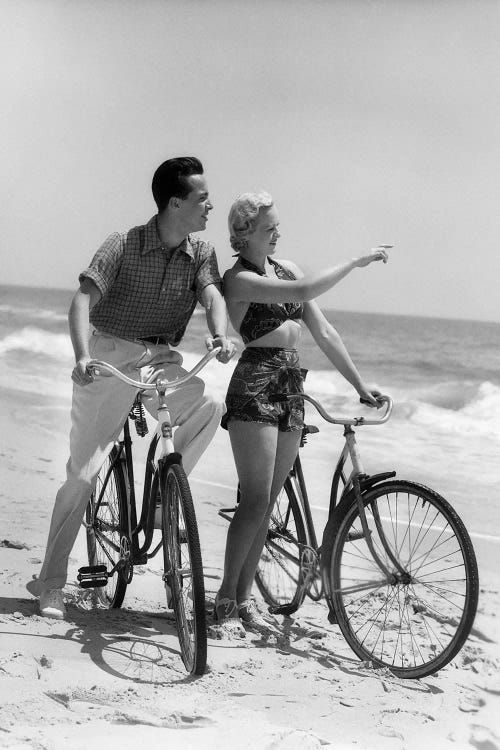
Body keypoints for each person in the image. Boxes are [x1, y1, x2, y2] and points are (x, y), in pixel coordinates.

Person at [26, 156, 235, 620]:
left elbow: (213, 296)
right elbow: (82, 300)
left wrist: (221, 333)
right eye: (203, 199)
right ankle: (50, 583)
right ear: (175, 202)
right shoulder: (123, 244)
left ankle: (163, 500)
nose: (210, 207)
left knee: (210, 405)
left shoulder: (200, 252)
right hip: (109, 355)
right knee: (83, 475)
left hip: (160, 358)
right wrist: (83, 356)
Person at [215, 191, 389, 634]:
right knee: (254, 501)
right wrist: (354, 262)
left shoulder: (285, 267)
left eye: (277, 226)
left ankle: (245, 598)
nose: (277, 233)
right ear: (245, 233)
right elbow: (305, 290)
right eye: (269, 227)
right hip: (254, 385)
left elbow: (324, 330)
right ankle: (225, 599)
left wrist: (358, 384)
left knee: (269, 501)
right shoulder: (238, 280)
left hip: (291, 385)